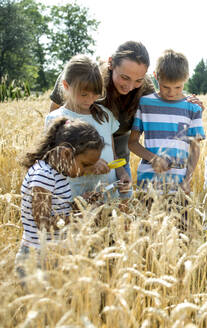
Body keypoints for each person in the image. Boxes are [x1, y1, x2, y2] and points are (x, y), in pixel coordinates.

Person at [49, 41, 155, 178]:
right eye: (124, 78)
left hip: (119, 150)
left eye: (138, 80)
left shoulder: (146, 89)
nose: (130, 87)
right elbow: (55, 110)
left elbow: (165, 107)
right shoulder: (89, 77)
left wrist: (187, 102)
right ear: (111, 63)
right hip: (80, 148)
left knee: (119, 191)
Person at [16, 117, 104, 280]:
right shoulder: (43, 176)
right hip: (36, 259)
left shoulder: (56, 174)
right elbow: (43, 222)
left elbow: (57, 211)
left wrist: (80, 204)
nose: (86, 171)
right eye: (85, 164)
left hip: (52, 254)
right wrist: (80, 216)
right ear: (65, 153)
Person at [46, 55, 131, 199]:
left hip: (108, 195)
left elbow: (113, 154)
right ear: (66, 86)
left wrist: (122, 173)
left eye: (95, 94)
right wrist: (89, 167)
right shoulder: (56, 119)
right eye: (84, 94)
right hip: (76, 196)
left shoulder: (104, 116)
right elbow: (55, 164)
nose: (90, 99)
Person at [128, 49, 205, 194]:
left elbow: (195, 148)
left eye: (178, 87)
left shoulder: (193, 108)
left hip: (179, 185)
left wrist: (187, 179)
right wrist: (153, 159)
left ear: (186, 78)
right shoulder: (145, 104)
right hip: (148, 183)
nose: (171, 92)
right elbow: (132, 143)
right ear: (156, 77)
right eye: (165, 87)